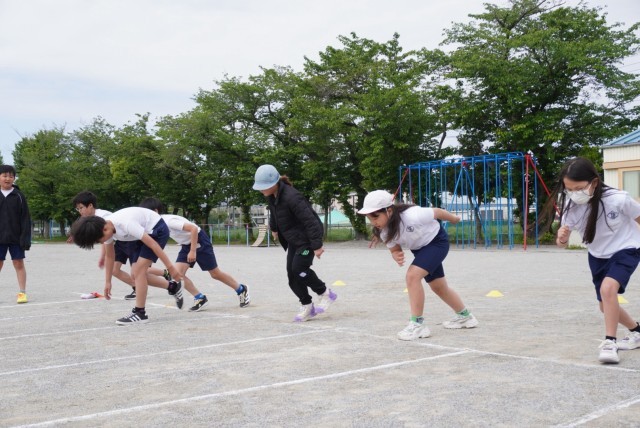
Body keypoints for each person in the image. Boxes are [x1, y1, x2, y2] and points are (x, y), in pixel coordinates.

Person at [358, 190, 478, 340]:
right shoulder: (384, 231)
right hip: (420, 250)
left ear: (389, 211)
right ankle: (465, 316)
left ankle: (417, 324)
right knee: (438, 287)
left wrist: (454, 218)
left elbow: (437, 212)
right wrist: (396, 254)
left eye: (376, 216)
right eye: (370, 218)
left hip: (437, 242)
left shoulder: (412, 215)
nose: (373, 222)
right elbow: (394, 248)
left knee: (412, 276)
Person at [554, 157, 640, 364]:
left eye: (579, 188)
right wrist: (562, 238)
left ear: (593, 182)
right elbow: (561, 244)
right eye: (569, 189)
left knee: (608, 289)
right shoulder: (570, 205)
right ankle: (637, 331)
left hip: (626, 249)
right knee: (605, 305)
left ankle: (610, 342)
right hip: (597, 256)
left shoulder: (618, 199)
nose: (574, 193)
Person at [70, 207, 183, 325]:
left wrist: (171, 268)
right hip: (142, 233)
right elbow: (110, 256)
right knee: (135, 274)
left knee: (139, 271)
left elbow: (153, 244)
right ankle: (173, 287)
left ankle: (140, 313)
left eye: (99, 240)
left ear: (105, 229)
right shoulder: (105, 227)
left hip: (157, 230)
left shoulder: (125, 224)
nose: (101, 242)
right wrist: (108, 282)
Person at [253, 164, 336, 321]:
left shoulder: (292, 197)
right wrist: (274, 229)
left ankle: (325, 293)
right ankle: (307, 306)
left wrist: (317, 245)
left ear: (274, 183)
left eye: (264, 186)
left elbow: (310, 220)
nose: (261, 190)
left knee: (299, 269)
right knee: (292, 275)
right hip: (294, 240)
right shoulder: (272, 196)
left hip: (306, 240)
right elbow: (275, 213)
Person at [139, 197, 250, 311]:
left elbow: (193, 229)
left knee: (215, 274)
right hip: (186, 244)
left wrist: (192, 251)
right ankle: (200, 298)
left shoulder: (168, 221)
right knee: (177, 274)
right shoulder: (155, 225)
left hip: (199, 241)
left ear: (155, 211)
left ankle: (241, 289)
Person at [72, 191, 172, 301]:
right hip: (118, 239)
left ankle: (158, 282)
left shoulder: (103, 219)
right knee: (115, 270)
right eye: (78, 209)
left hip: (130, 238)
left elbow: (107, 237)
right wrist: (107, 282)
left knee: (137, 272)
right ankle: (138, 287)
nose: (80, 211)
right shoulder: (91, 224)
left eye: (81, 208)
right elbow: (106, 244)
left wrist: (170, 266)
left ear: (90, 205)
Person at [0, 165, 31, 304]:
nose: (8, 178)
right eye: (4, 175)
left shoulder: (19, 196)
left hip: (16, 238)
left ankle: (22, 293)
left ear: (14, 178)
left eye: (11, 176)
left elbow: (25, 218)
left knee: (18, 263)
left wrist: (25, 238)